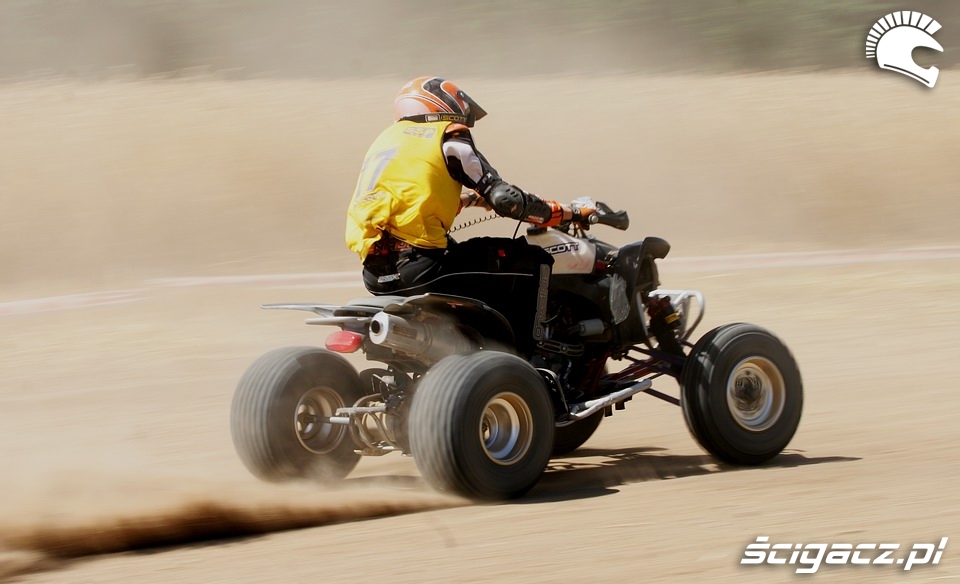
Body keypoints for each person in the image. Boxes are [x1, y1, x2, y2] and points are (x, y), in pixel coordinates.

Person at [345, 76, 592, 351]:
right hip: (422, 267)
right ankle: (526, 359)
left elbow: (411, 200)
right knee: (533, 260)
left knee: (466, 259)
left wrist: (470, 199)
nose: (463, 116)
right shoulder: (448, 135)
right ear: (442, 103)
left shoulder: (387, 141)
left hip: (375, 273)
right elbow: (507, 200)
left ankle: (473, 344)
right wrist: (569, 213)